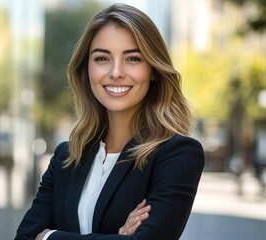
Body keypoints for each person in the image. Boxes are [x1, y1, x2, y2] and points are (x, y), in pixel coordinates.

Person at [15, 3, 204, 240]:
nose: (116, 72)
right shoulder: (66, 156)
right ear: (87, 69)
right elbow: (24, 237)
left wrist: (47, 237)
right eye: (102, 58)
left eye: (133, 58)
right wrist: (118, 237)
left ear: (154, 70)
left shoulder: (177, 155)